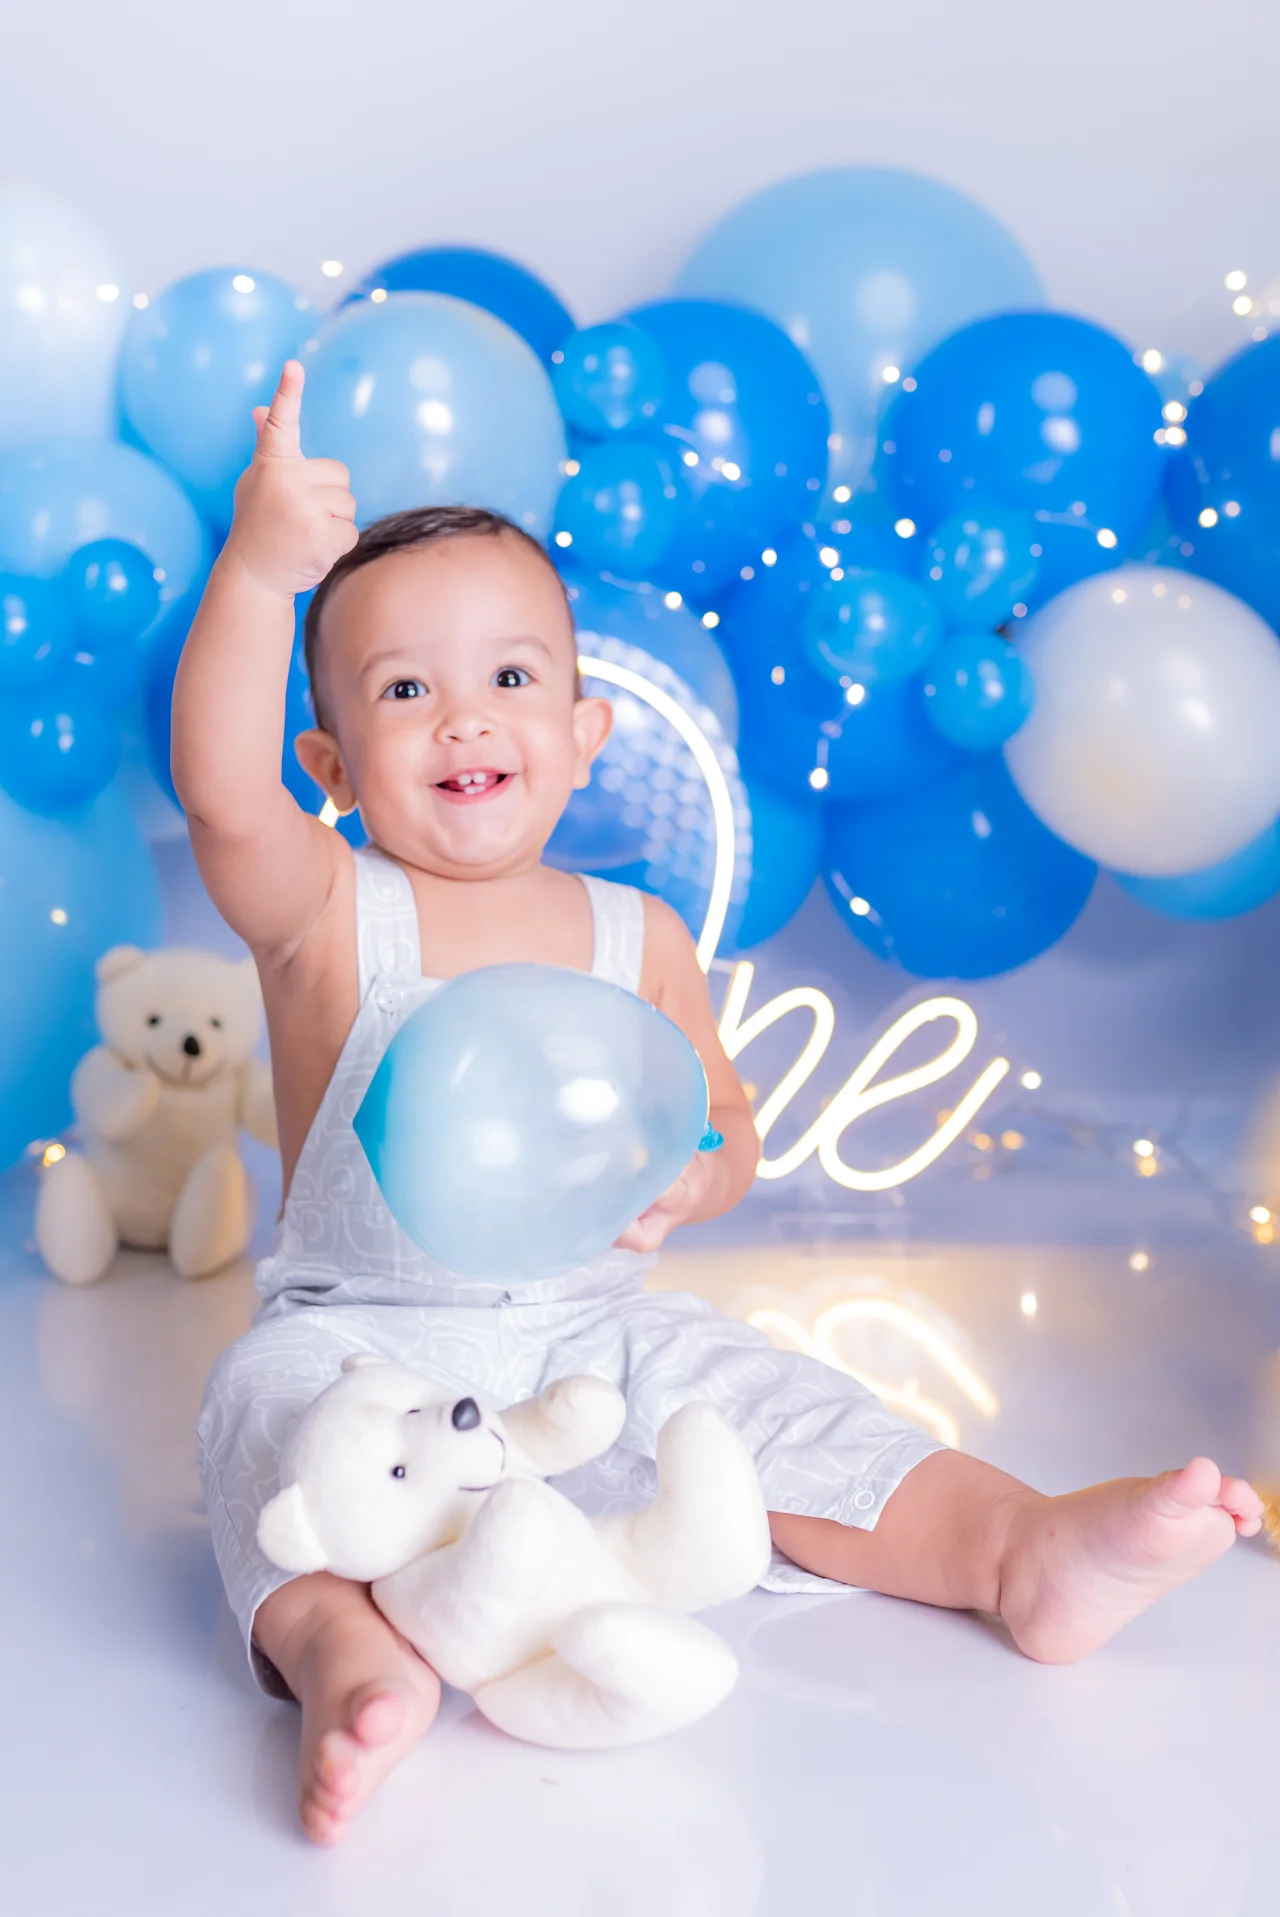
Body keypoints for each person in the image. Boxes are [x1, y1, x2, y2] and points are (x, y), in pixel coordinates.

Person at [178, 362, 1263, 1847]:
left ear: (586, 733)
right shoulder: (322, 907)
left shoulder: (638, 937)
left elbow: (722, 1126)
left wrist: (696, 1177)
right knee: (267, 1418)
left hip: (589, 1329)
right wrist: (257, 574)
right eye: (405, 690)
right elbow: (221, 792)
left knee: (764, 1400)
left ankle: (1015, 1548)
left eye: (511, 680)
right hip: (369, 1336)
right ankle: (344, 1654)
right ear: (333, 766)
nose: (463, 719)